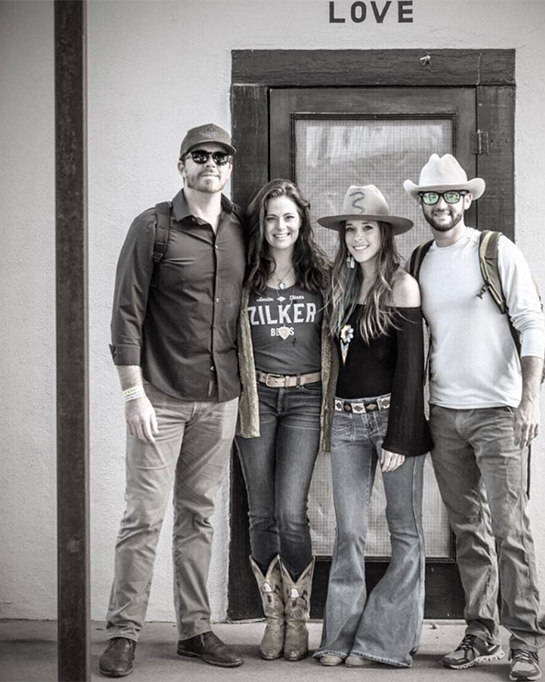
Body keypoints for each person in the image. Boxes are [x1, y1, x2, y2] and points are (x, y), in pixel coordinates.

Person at [101, 123, 246, 677]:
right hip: (159, 396)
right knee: (143, 516)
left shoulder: (242, 227)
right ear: (182, 165)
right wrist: (132, 393)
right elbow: (126, 315)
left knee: (199, 516)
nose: (210, 164)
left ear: (228, 166)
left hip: (221, 397)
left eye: (219, 156)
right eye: (199, 155)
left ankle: (195, 630)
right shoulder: (153, 227)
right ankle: (123, 632)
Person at [403, 154, 545, 682]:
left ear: (466, 199)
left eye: (450, 195)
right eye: (430, 196)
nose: (440, 205)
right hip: (444, 414)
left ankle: (525, 642)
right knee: (467, 529)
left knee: (511, 529)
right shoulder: (419, 259)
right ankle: (480, 632)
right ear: (422, 203)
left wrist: (530, 399)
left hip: (498, 412)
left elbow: (531, 322)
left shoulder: (495, 249)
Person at [313, 185, 432, 669]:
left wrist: (399, 436)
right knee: (350, 532)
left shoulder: (402, 286)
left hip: (391, 419)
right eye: (350, 229)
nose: (358, 237)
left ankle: (383, 640)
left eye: (367, 228)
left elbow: (411, 370)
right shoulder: (340, 286)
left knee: (404, 531)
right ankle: (339, 637)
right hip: (346, 420)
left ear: (384, 233)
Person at [234, 179, 334, 662]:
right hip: (256, 399)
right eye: (271, 217)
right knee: (261, 512)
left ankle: (298, 619)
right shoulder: (244, 276)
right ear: (261, 223)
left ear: (302, 222)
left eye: (289, 217)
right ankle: (272, 619)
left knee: (291, 512)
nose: (280, 226)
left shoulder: (323, 276)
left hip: (305, 399)